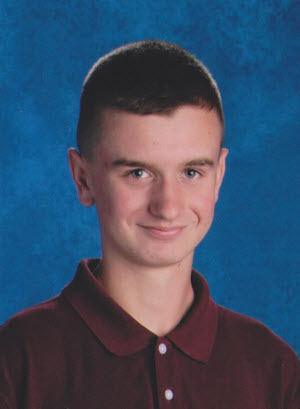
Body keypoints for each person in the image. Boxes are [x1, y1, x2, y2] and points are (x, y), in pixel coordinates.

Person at [0, 40, 299, 409]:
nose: (168, 206)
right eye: (138, 173)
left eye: (191, 172)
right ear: (82, 178)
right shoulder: (16, 359)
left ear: (219, 176)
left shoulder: (274, 367)